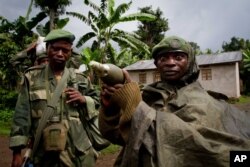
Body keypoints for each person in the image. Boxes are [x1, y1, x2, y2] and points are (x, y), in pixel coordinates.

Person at [99, 36, 250, 167]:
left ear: (190, 62)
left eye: (178, 57)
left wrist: (136, 107)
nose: (170, 63)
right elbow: (121, 137)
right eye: (163, 58)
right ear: (157, 64)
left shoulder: (205, 103)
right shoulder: (148, 97)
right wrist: (111, 109)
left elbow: (196, 148)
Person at [9, 29, 102, 167]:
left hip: (77, 153)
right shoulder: (32, 77)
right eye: (56, 49)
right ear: (47, 49)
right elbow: (21, 115)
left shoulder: (80, 79)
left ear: (70, 52)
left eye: (65, 50)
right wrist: (17, 153)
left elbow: (98, 102)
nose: (60, 54)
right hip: (43, 154)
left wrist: (84, 99)